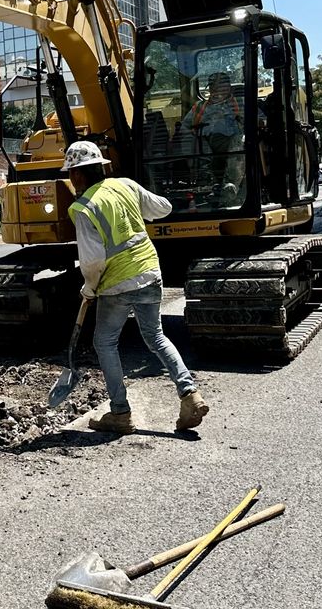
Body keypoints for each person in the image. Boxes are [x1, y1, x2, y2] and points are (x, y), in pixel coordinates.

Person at [62, 140, 208, 434]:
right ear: (100, 167)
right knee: (155, 336)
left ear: (77, 174)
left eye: (70, 173)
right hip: (150, 270)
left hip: (117, 282)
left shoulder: (83, 207)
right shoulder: (125, 185)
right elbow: (163, 208)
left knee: (104, 343)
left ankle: (120, 413)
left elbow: (92, 261)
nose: (70, 179)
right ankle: (190, 394)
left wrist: (89, 289)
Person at [188, 72, 244, 205]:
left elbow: (259, 120)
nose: (218, 90)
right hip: (206, 143)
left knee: (239, 143)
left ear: (229, 88)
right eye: (214, 87)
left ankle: (232, 187)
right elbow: (185, 127)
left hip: (234, 143)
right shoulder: (199, 107)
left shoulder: (242, 103)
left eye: (222, 87)